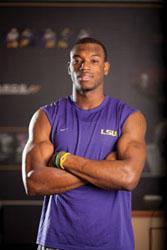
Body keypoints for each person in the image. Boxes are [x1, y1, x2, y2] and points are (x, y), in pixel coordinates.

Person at [22, 37, 147, 250]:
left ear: (106, 67)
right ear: (69, 67)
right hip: (56, 242)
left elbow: (127, 177)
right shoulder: (46, 116)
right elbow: (33, 183)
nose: (84, 66)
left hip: (112, 243)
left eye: (94, 60)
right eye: (77, 60)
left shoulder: (129, 117)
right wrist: (104, 169)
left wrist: (63, 159)